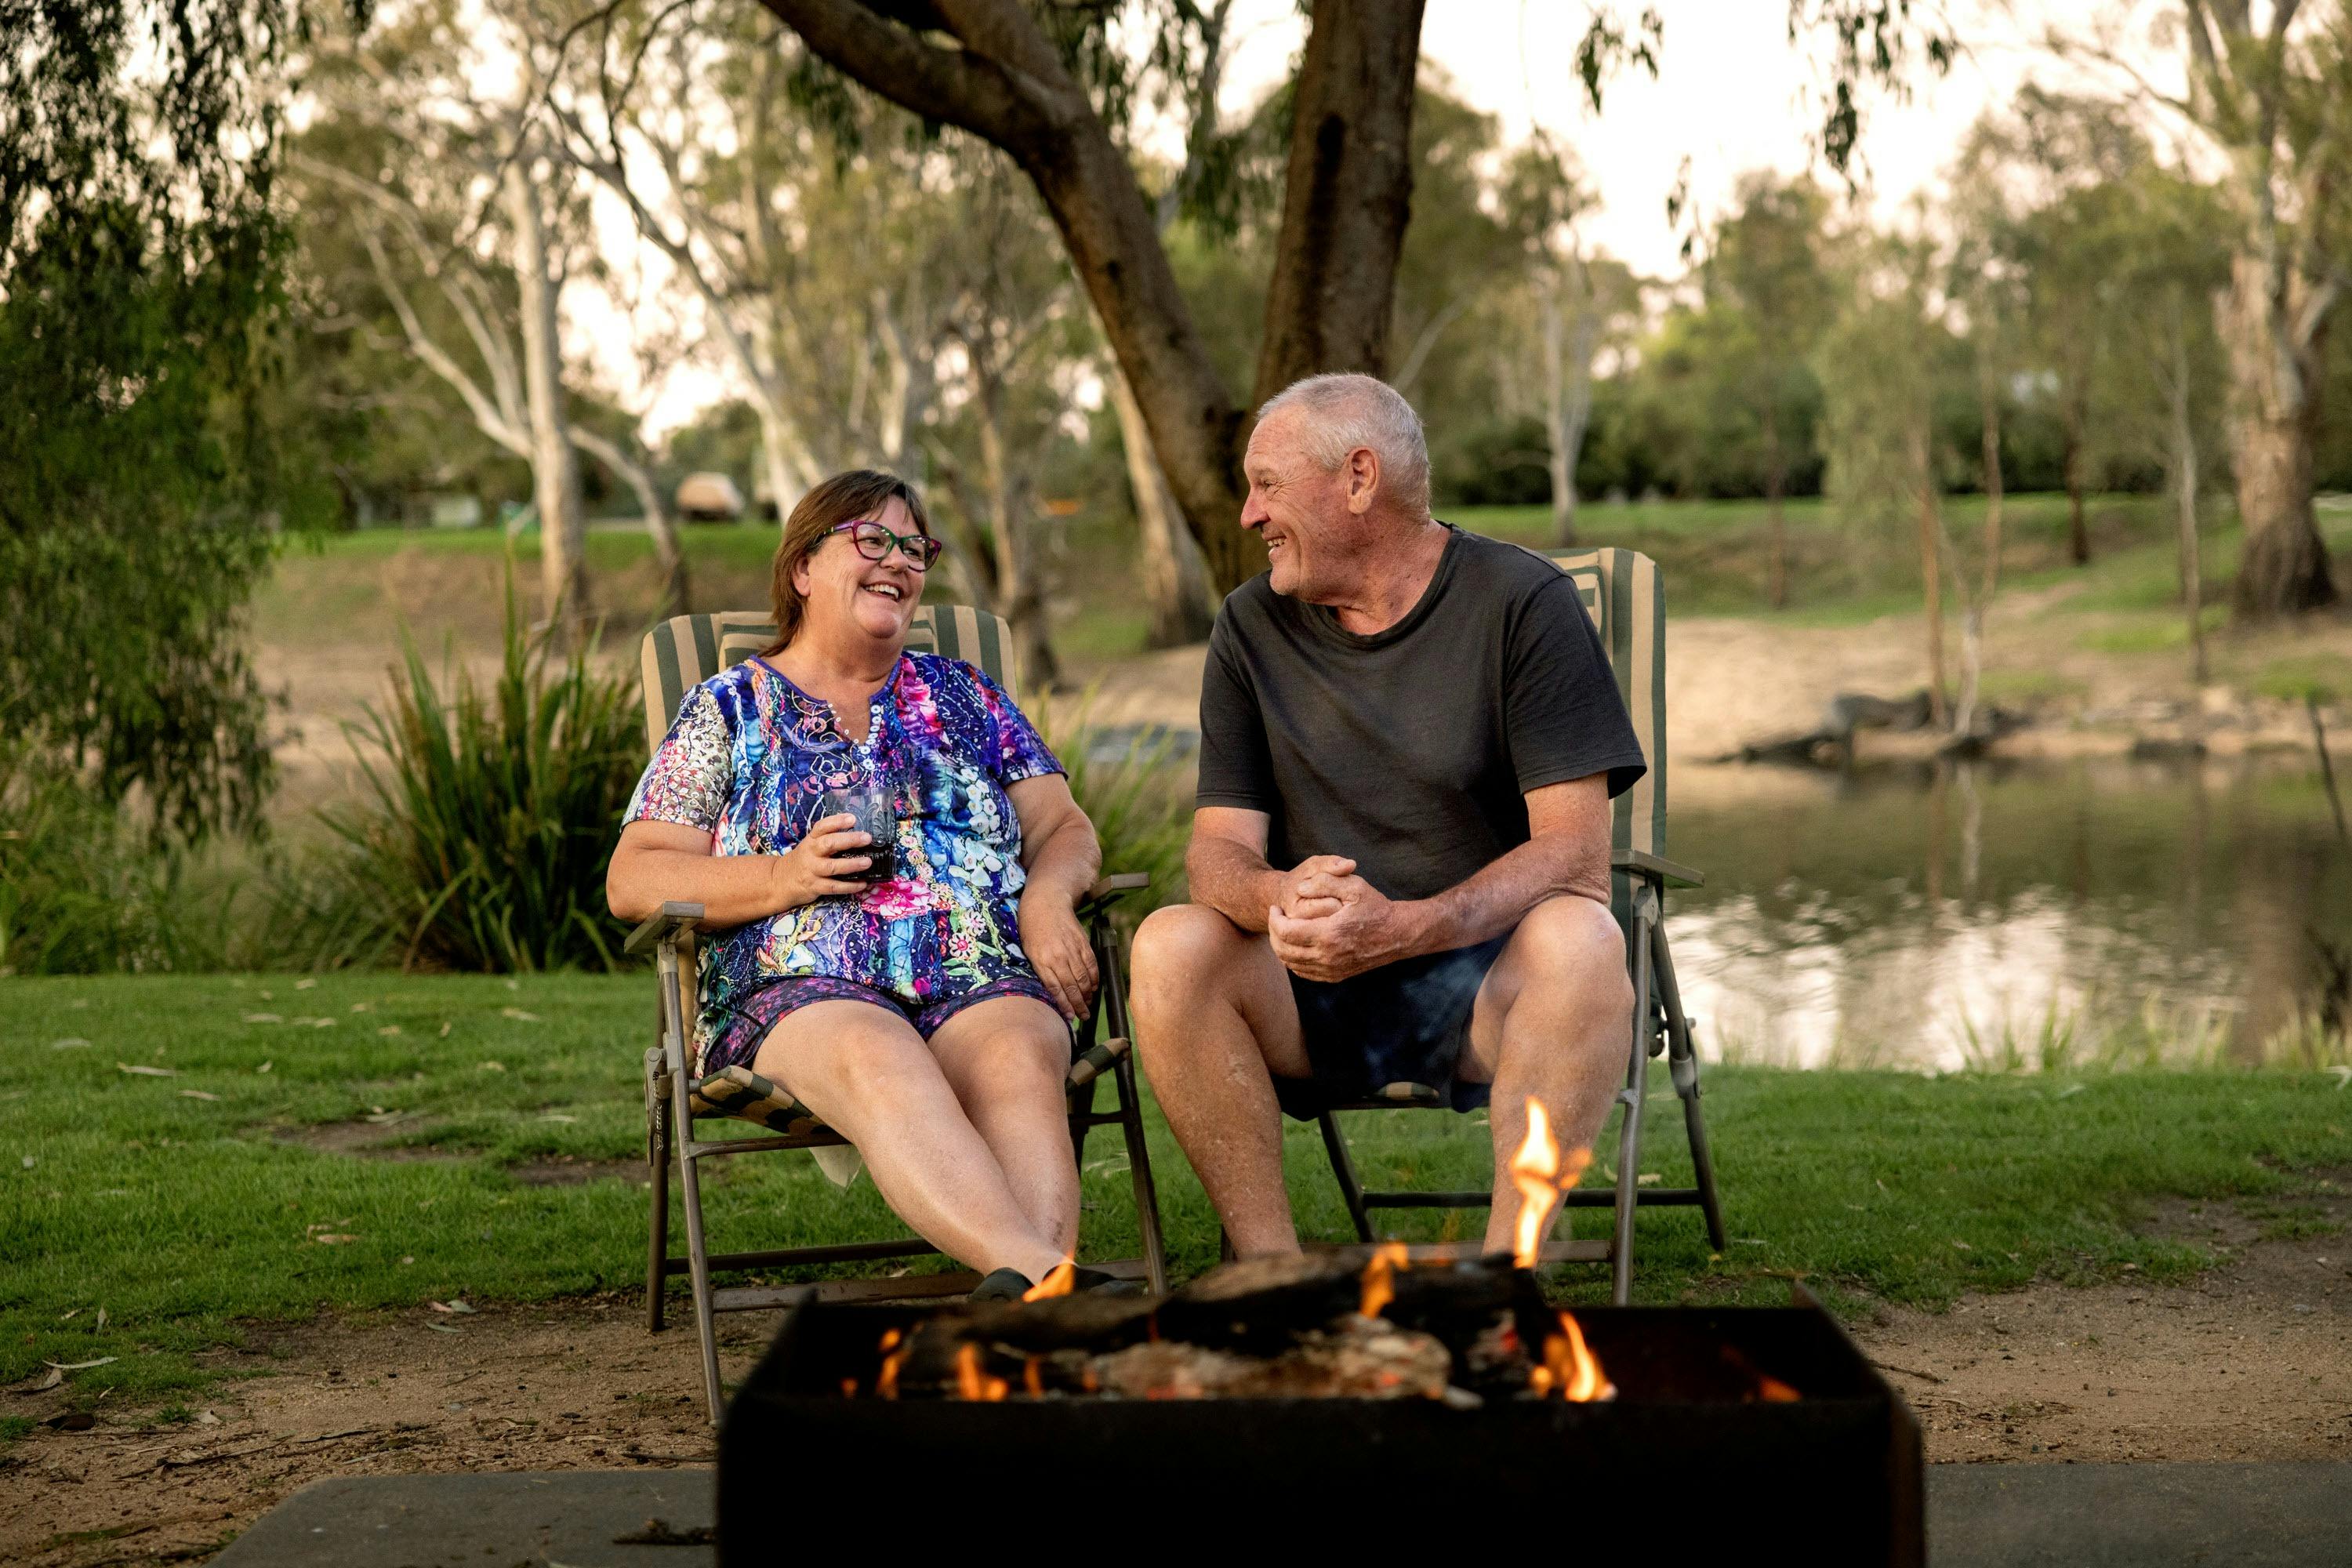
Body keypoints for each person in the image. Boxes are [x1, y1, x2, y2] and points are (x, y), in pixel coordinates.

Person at [1129, 374, 1648, 1258]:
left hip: (1486, 988)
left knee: (1587, 939)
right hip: (1309, 985)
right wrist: (1277, 896)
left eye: (1268, 484)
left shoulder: (1522, 602)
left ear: (1359, 479)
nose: (1249, 514)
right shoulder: (1251, 625)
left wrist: (1406, 927)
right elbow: (1217, 851)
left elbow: (1575, 853)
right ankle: (1270, 1270)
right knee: (1169, 944)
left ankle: (1506, 1269)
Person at [608, 469, 1124, 1300]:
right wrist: (784, 873)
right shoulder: (730, 708)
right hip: (802, 984)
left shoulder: (966, 695)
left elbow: (1066, 827)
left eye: (915, 546)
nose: (899, 560)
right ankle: (1048, 1286)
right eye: (871, 539)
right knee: (873, 1050)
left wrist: (1046, 896)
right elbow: (634, 878)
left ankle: (1028, 1308)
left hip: (977, 965)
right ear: (803, 568)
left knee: (1021, 1055)